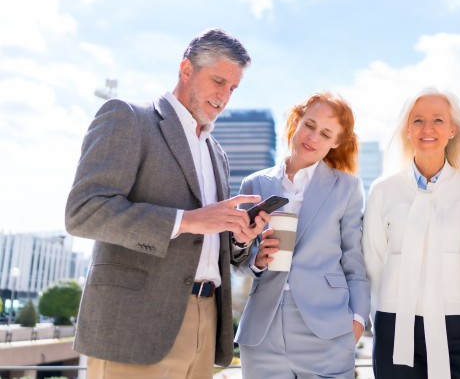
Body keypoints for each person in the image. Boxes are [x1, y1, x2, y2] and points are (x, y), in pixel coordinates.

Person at [65, 28, 269, 379]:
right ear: (186, 69)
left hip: (206, 322)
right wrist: (187, 220)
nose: (224, 97)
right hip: (134, 325)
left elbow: (210, 241)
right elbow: (84, 212)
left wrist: (239, 238)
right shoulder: (128, 117)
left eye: (233, 88)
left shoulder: (217, 153)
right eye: (218, 81)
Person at [362, 87, 460, 379]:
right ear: (407, 130)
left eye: (438, 120)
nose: (428, 128)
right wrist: (380, 314)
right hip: (395, 324)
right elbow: (372, 262)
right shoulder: (383, 190)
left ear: (452, 130)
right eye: (418, 120)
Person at [234, 91, 371, 379]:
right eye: (309, 125)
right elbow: (237, 260)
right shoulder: (254, 183)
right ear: (297, 121)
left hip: (326, 327)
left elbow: (355, 262)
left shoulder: (347, 187)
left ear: (336, 142)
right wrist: (256, 259)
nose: (313, 137)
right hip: (262, 330)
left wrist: (357, 320)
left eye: (325, 134)